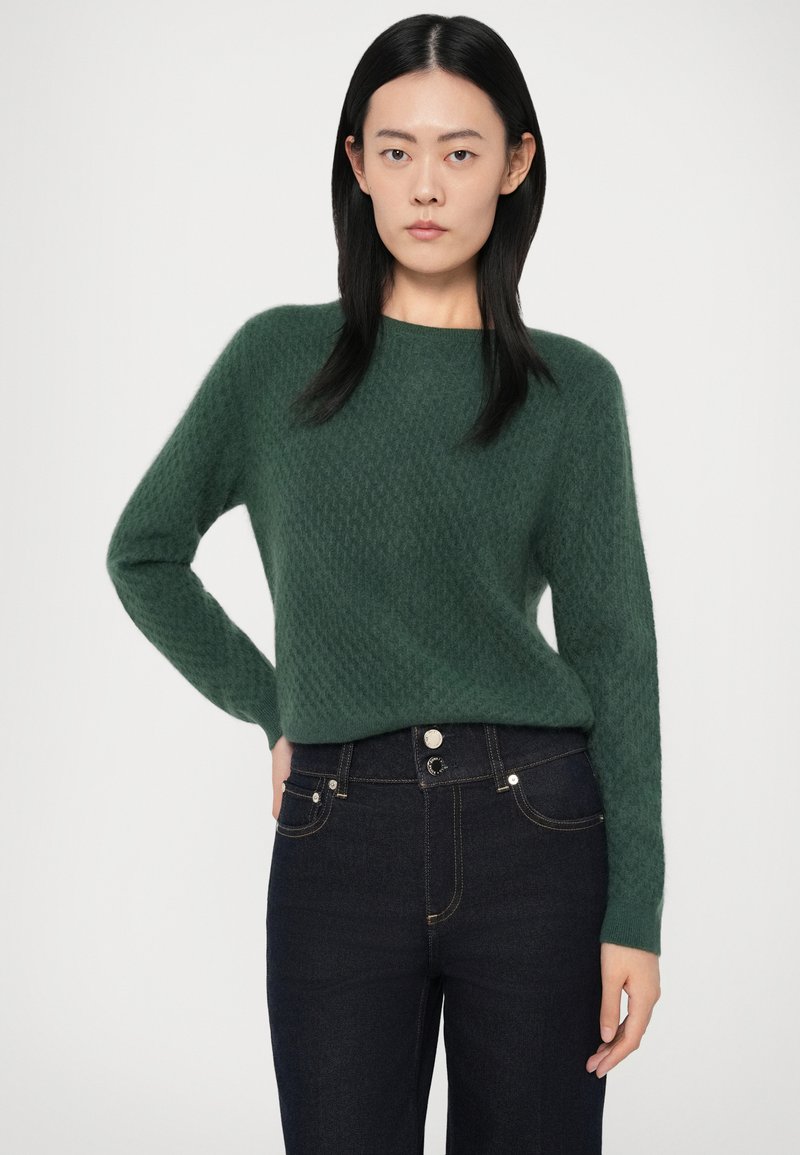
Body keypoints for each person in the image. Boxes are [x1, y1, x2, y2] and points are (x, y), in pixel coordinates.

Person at [105, 13, 664, 1154]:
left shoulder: (572, 392)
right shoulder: (275, 361)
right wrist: (274, 704)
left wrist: (635, 912)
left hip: (537, 829)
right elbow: (144, 552)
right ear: (355, 163)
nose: (427, 185)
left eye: (460, 151)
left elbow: (615, 650)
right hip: (339, 831)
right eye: (397, 150)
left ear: (515, 163)